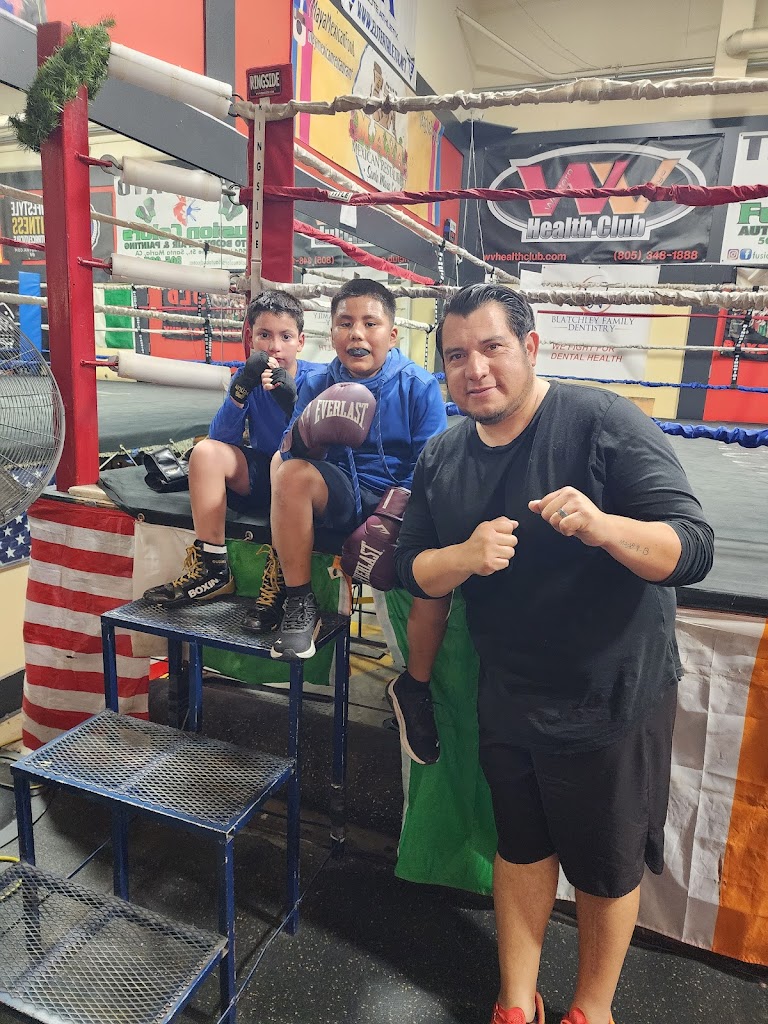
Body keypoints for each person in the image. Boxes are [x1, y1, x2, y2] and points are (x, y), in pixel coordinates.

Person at [393, 284, 714, 1024]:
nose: (475, 369)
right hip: (510, 691)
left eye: (492, 347)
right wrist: (463, 556)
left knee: (605, 868)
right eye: (456, 356)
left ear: (531, 347)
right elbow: (410, 568)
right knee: (521, 846)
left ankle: (591, 1010)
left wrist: (605, 527)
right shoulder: (443, 456)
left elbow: (692, 548)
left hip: (612, 693)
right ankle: (516, 1001)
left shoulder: (601, 423)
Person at [269, 278, 450, 765]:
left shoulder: (417, 385)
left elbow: (433, 465)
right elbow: (290, 451)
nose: (357, 334)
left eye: (370, 323)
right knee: (290, 474)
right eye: (346, 323)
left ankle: (415, 686)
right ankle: (299, 601)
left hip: (402, 499)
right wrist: (307, 437)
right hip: (341, 490)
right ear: (332, 332)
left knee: (434, 573)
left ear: (392, 333)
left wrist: (394, 514)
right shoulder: (316, 381)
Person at [144, 289, 316, 632]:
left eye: (285, 337)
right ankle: (213, 567)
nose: (274, 346)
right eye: (265, 335)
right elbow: (222, 439)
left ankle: (283, 576)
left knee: (285, 463)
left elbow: (321, 448)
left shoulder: (317, 378)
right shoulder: (248, 376)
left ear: (300, 342)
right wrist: (241, 389)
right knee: (205, 452)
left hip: (302, 482)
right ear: (251, 339)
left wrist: (293, 403)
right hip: (262, 476)